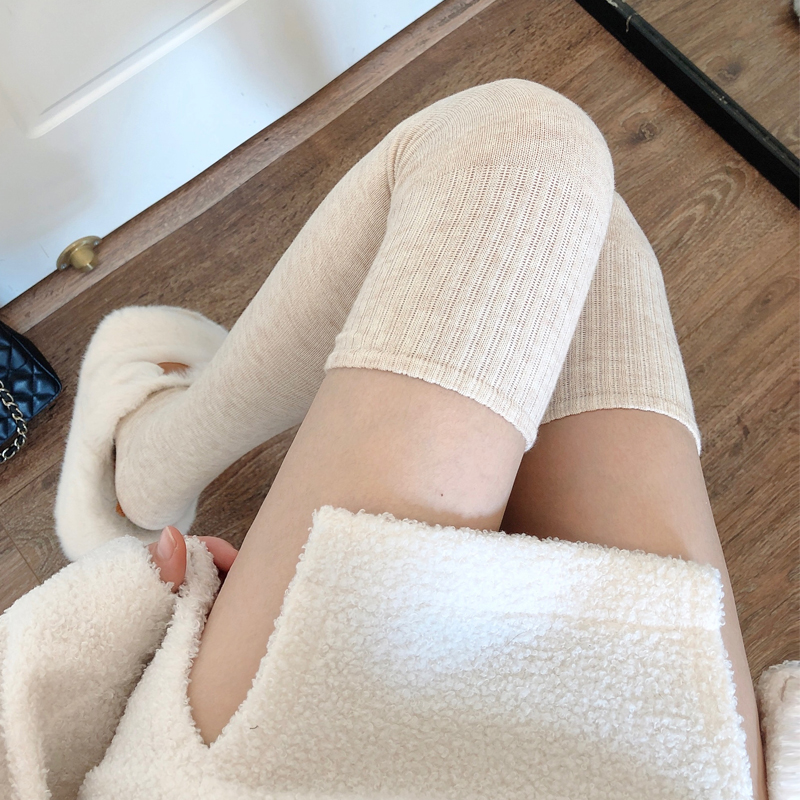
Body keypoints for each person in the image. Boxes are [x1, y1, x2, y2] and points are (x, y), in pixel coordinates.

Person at [2, 78, 769, 798]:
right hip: (652, 769)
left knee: (514, 150)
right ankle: (152, 464)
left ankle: (146, 469)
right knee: (588, 239)